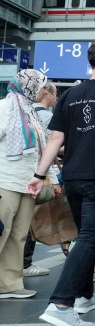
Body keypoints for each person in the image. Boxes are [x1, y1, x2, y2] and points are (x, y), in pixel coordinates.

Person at [29, 42, 95, 326]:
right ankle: (62, 303)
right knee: (90, 239)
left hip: (72, 177)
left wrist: (39, 175)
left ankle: (85, 296)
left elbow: (55, 140)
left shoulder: (70, 94)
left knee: (85, 237)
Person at [0, 71, 62, 299]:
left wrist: (53, 179)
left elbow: (43, 151)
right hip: (4, 181)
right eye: (42, 87)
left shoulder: (31, 113)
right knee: (2, 232)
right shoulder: (4, 109)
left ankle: (9, 284)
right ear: (30, 87)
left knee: (18, 235)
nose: (44, 92)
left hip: (28, 184)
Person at [22, 81, 58, 278]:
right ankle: (25, 263)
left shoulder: (22, 113)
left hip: (21, 174)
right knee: (28, 221)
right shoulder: (44, 116)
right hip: (34, 174)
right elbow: (48, 147)